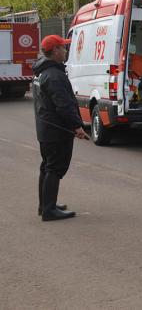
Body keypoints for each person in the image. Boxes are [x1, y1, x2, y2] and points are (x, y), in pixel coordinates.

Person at [32, 35, 89, 222]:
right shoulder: (54, 75)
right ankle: (49, 210)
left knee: (47, 167)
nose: (66, 51)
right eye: (63, 48)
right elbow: (63, 105)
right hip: (56, 130)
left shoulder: (43, 72)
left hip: (46, 128)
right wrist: (77, 126)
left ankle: (45, 205)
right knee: (54, 168)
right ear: (55, 50)